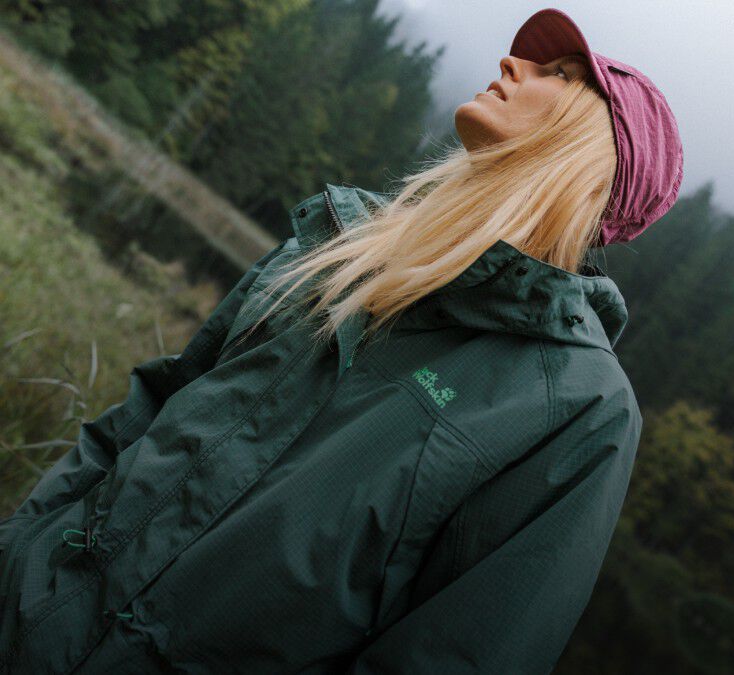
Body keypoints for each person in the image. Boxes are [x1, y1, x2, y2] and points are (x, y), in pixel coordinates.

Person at [0, 7, 683, 674]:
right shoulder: (340, 244)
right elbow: (147, 412)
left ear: (596, 157)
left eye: (559, 75)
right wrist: (16, 548)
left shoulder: (579, 409)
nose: (511, 62)